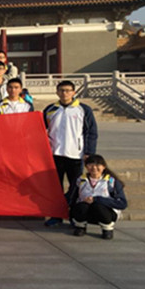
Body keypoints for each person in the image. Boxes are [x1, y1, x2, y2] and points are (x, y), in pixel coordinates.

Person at [43, 80, 98, 227]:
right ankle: (56, 215)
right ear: (57, 92)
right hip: (55, 154)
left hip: (76, 155)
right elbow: (41, 130)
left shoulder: (83, 109)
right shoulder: (50, 109)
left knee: (75, 187)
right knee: (55, 188)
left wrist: (89, 152)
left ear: (73, 92)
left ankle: (74, 216)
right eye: (61, 90)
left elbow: (91, 132)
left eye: (68, 90)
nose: (64, 93)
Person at [69, 155, 127, 240]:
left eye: (97, 165)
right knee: (82, 206)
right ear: (86, 167)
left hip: (105, 213)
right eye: (90, 165)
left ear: (104, 167)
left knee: (98, 206)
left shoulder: (111, 182)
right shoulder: (80, 180)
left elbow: (122, 203)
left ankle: (107, 229)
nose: (94, 168)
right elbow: (71, 198)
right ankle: (80, 226)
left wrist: (97, 200)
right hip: (86, 211)